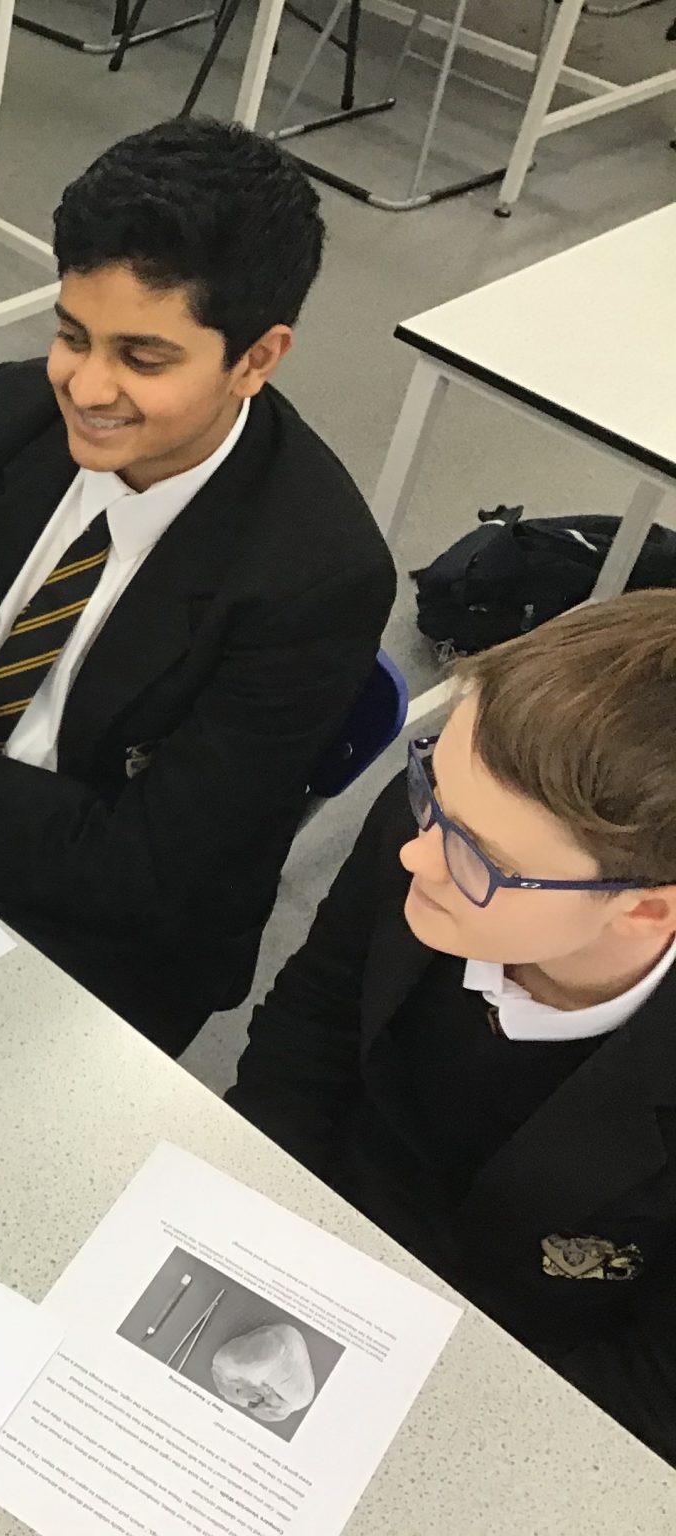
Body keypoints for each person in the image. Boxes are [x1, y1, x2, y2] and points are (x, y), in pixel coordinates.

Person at [0, 118, 395, 1054]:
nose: (87, 388)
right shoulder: (12, 411)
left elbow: (143, 867)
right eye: (71, 334)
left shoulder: (315, 575)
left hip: (84, 931)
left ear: (257, 359)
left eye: (144, 358)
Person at [227, 591, 676, 1465]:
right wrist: (248, 1217)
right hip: (319, 1223)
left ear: (646, 911)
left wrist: (394, 1421)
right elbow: (309, 1030)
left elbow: (650, 1392)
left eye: (479, 859)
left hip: (505, 1386)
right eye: (432, 784)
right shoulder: (440, 823)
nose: (416, 854)